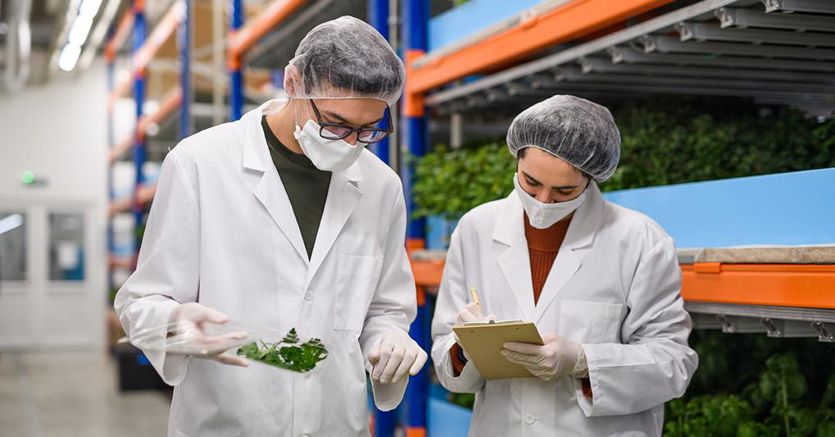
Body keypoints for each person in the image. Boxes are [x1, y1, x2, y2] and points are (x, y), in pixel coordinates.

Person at [115, 16, 427, 437]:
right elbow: (141, 301)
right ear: (293, 83)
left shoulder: (381, 186)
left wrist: (388, 340)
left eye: (368, 129)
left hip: (335, 421)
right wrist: (174, 321)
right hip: (226, 421)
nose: (352, 144)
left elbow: (385, 307)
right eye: (335, 124)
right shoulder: (201, 163)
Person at [431, 95, 698, 436]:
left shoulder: (640, 240)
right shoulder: (476, 228)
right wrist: (464, 349)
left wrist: (583, 360)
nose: (543, 201)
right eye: (531, 182)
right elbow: (445, 355)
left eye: (563, 190)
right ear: (516, 160)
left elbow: (674, 363)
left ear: (592, 179)